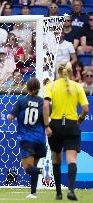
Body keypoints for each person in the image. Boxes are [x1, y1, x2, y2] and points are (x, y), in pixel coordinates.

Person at [43, 62, 89, 200]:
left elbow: (45, 106)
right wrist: (79, 120)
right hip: (71, 125)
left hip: (56, 125)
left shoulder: (51, 86)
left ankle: (58, 193)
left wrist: (46, 125)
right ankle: (71, 190)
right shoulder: (77, 87)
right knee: (72, 159)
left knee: (56, 159)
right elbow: (86, 109)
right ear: (71, 72)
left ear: (58, 72)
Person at [8, 78, 47, 199]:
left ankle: (41, 172)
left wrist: (13, 115)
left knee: (27, 167)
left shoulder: (22, 101)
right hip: (40, 139)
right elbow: (46, 117)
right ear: (38, 88)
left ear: (27, 88)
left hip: (27, 138)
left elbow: (10, 117)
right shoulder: (42, 103)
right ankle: (33, 193)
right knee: (33, 166)